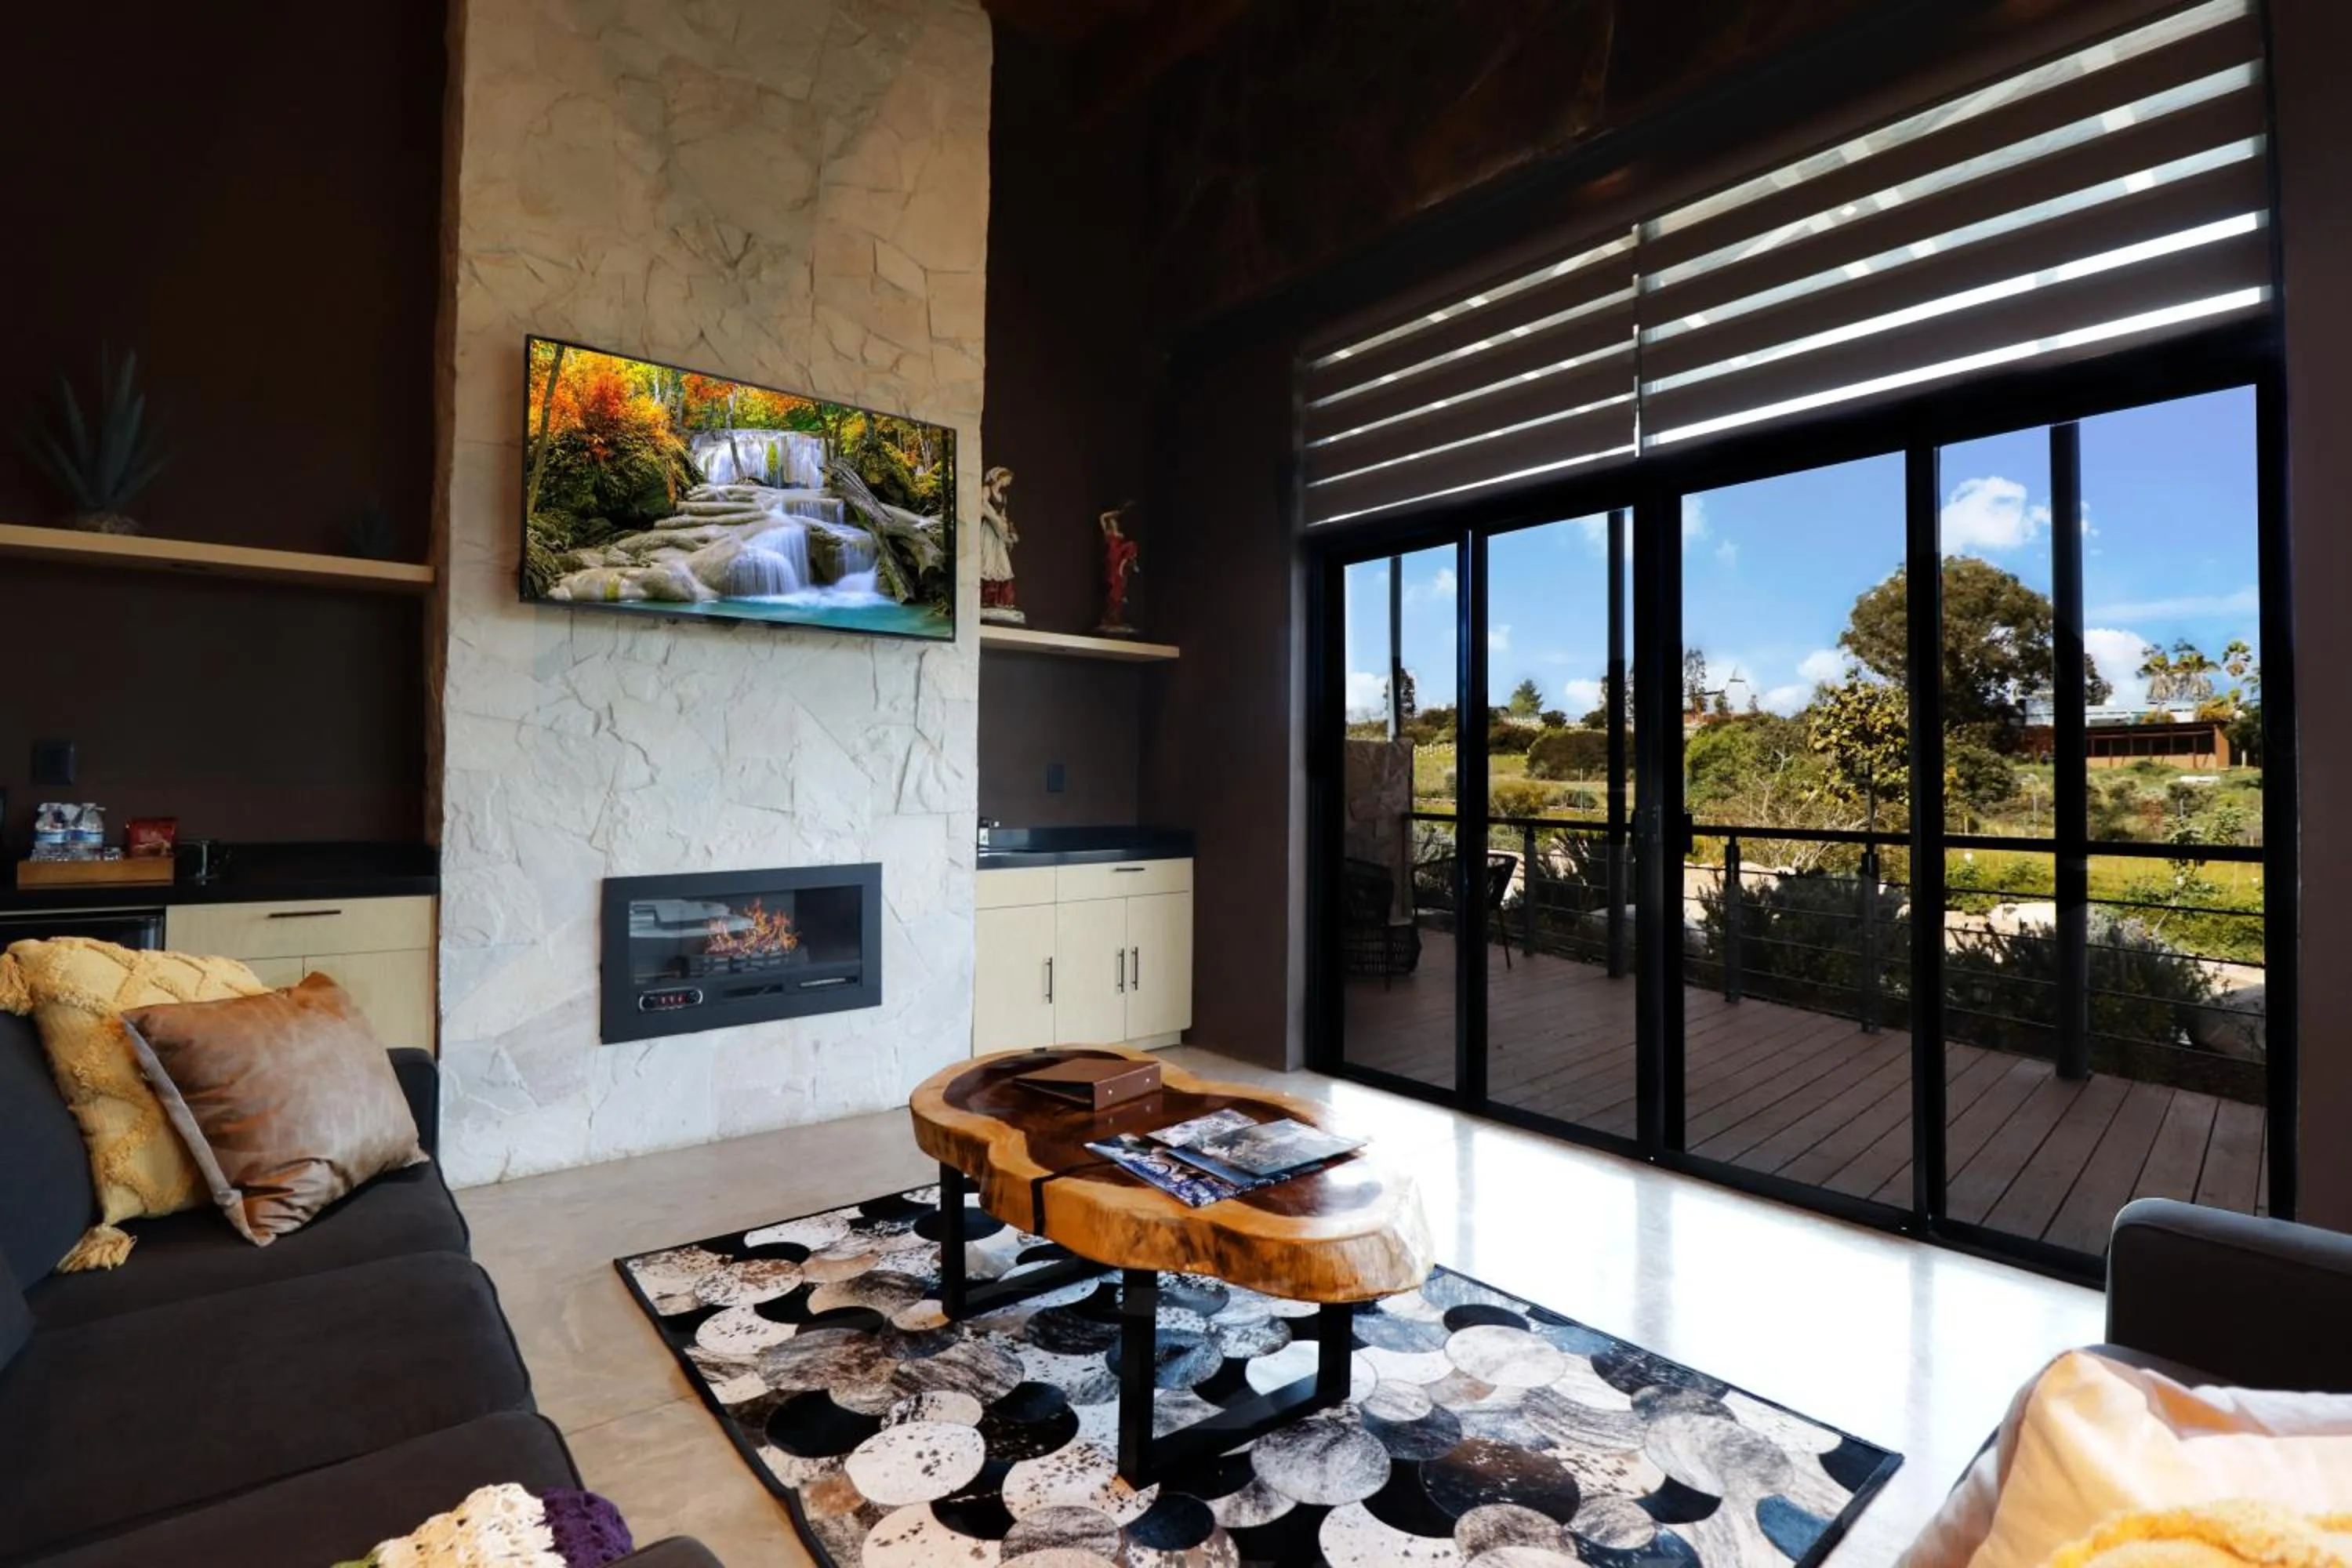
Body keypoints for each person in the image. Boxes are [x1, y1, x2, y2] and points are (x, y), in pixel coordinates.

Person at [978, 464, 1023, 623]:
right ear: (999, 477)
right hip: (988, 531)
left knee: (1001, 563)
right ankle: (985, 599)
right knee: (988, 561)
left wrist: (1007, 529)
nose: (1008, 482)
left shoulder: (1003, 497)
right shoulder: (986, 490)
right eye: (1007, 479)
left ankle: (999, 600)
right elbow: (984, 507)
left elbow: (1003, 515)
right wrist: (996, 520)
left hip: (998, 533)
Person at [1098, 503, 1139, 633]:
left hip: (1118, 557)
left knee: (1119, 586)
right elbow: (1102, 517)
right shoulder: (1108, 532)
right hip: (1113, 558)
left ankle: (1128, 562)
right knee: (1115, 586)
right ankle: (1112, 617)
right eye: (1113, 521)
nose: (1115, 522)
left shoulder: (1118, 534)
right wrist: (1115, 512)